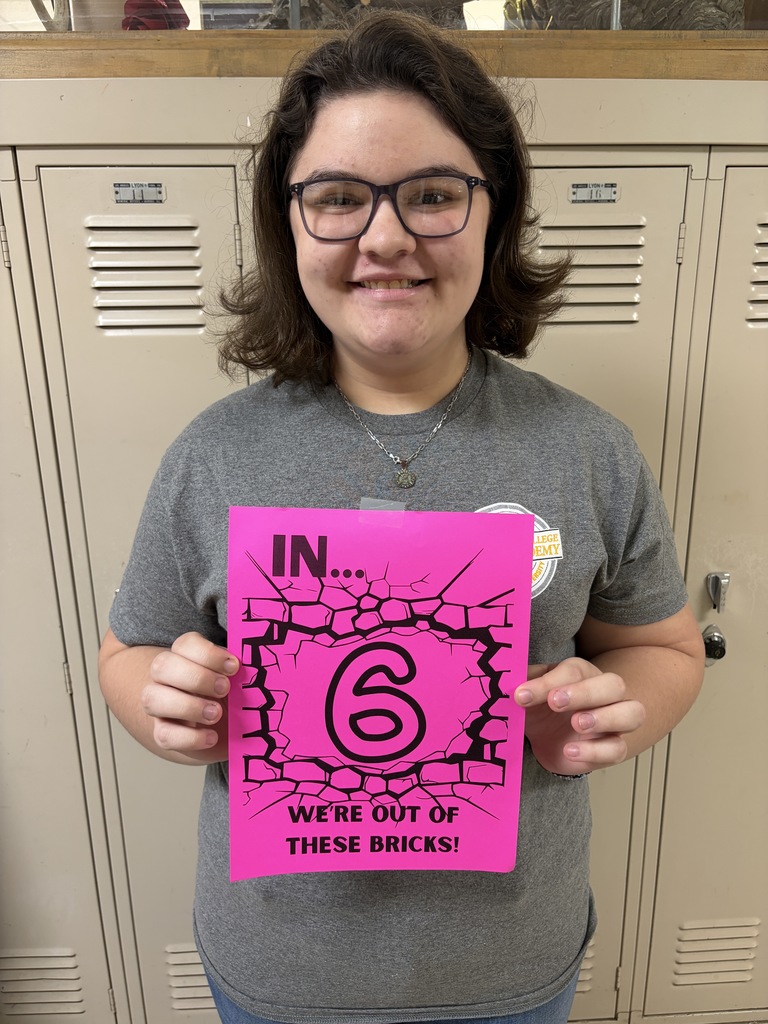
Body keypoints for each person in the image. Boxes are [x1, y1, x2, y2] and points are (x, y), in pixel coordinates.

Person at [98, 13, 705, 1024]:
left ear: (491, 215)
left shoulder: (587, 450)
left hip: (512, 966)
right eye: (338, 198)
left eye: (431, 195)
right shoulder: (215, 454)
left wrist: (613, 709)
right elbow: (129, 647)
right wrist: (161, 702)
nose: (385, 236)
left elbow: (667, 648)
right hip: (280, 971)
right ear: (289, 227)